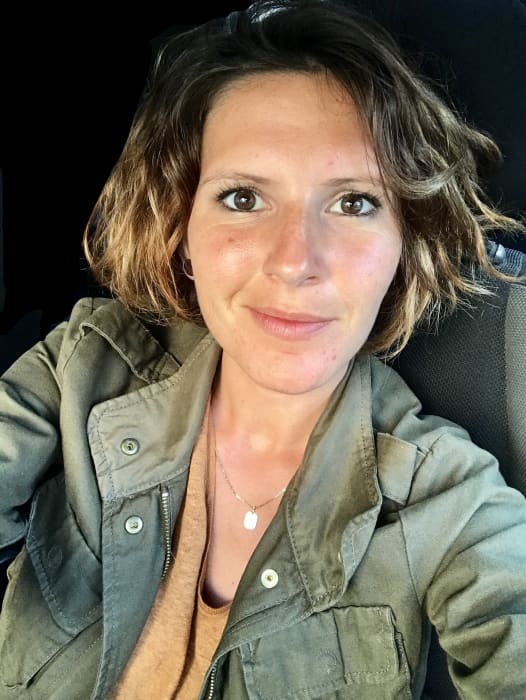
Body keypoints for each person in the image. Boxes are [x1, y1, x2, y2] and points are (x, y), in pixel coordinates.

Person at [1, 1, 526, 697]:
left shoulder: (447, 498)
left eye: (354, 202)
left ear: (405, 244)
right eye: (244, 198)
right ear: (182, 230)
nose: (294, 261)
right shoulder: (82, 366)